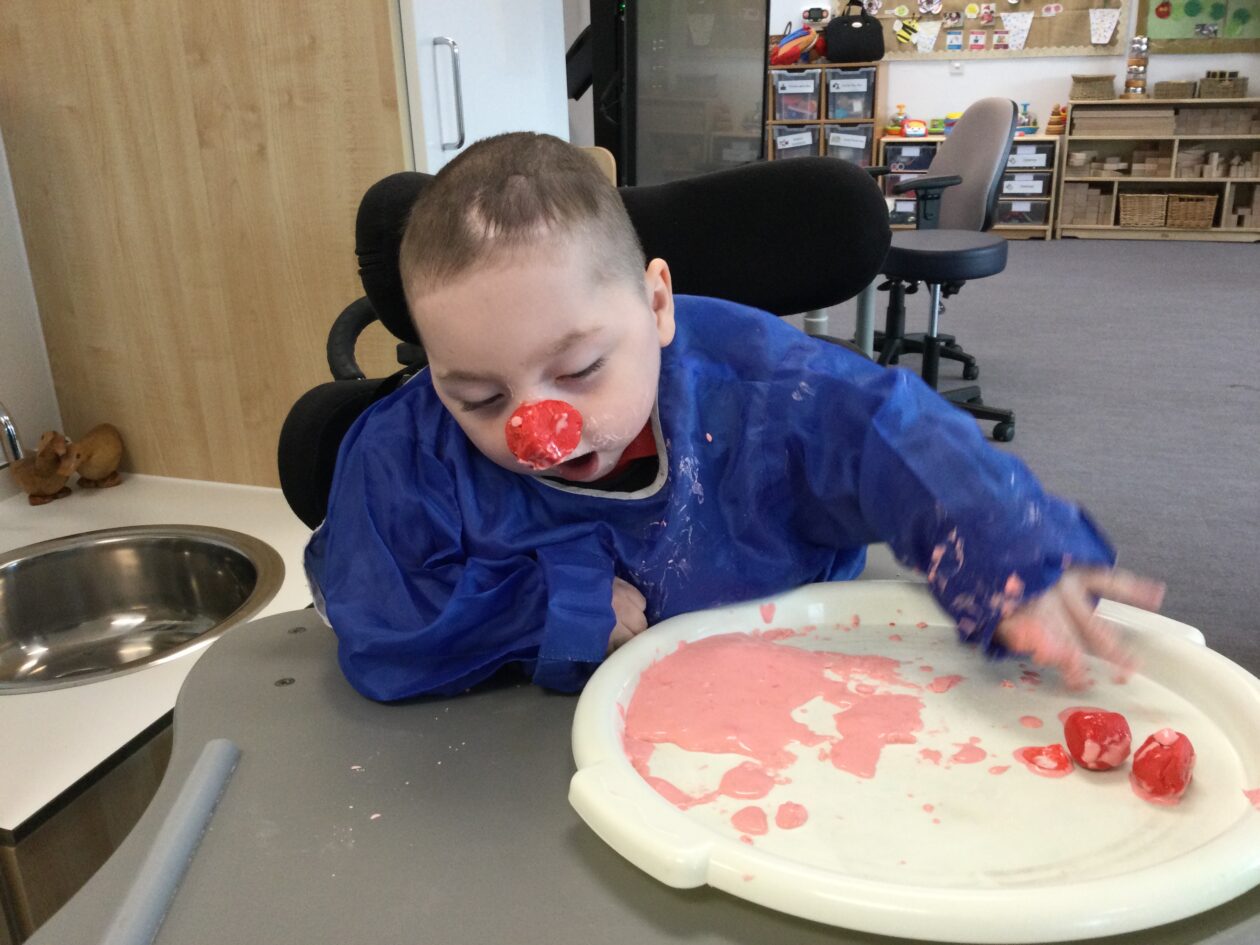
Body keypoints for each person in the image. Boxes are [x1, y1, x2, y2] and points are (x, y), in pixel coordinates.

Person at [305, 132, 1163, 701]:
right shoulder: (407, 449)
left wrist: (1009, 550)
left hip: (799, 699)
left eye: (580, 369)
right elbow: (376, 617)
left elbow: (896, 434)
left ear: (657, 303)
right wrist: (552, 603)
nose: (539, 432)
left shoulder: (766, 390)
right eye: (481, 397)